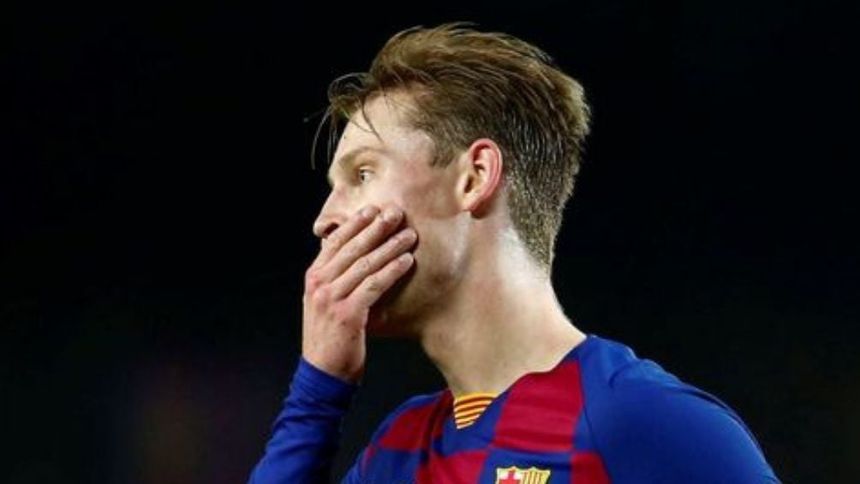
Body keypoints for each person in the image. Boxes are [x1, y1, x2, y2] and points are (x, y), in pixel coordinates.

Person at [248, 23, 779, 483]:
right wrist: (318, 389)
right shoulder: (398, 452)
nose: (325, 219)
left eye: (363, 173)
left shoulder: (643, 420)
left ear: (474, 178)